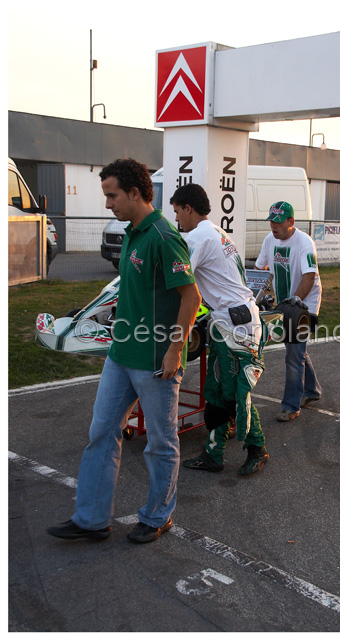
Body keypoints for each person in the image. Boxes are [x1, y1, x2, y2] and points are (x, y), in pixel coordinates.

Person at [47, 158, 201, 543]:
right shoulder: (133, 232)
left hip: (153, 361)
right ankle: (92, 519)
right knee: (101, 432)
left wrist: (174, 350)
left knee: (161, 443)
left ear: (135, 193)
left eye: (112, 195)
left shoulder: (164, 237)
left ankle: (158, 515)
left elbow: (191, 297)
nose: (107, 203)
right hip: (121, 355)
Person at [169, 183, 269, 476]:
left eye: (177, 212)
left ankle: (258, 449)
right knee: (215, 390)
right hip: (228, 322)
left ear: (188, 208)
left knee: (235, 393)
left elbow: (177, 278)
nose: (177, 220)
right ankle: (213, 453)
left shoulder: (198, 236)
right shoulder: (217, 232)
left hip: (236, 326)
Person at [255, 201, 322, 421]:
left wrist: (296, 302)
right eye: (271, 222)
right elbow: (259, 269)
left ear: (291, 222)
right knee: (296, 349)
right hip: (284, 303)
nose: (273, 226)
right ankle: (311, 390)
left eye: (278, 222)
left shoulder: (304, 242)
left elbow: (309, 277)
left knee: (293, 355)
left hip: (304, 304)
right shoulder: (269, 240)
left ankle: (291, 406)